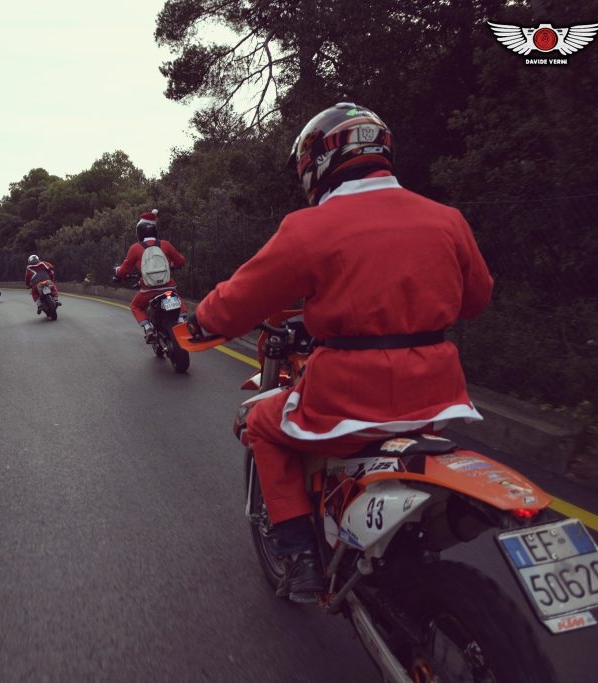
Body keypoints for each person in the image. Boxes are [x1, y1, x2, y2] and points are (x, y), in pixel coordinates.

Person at [188, 103, 493, 602]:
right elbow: (476, 300)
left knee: (260, 424)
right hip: (437, 398)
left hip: (349, 399)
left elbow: (238, 300)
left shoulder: (310, 227)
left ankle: (299, 555)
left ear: (318, 164)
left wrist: (201, 320)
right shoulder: (448, 219)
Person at [113, 210, 187, 343]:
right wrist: (173, 265)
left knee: (136, 306)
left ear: (139, 232)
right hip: (168, 287)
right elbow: (180, 261)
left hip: (148, 290)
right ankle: (182, 321)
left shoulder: (135, 248)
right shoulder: (165, 244)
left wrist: (118, 272)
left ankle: (148, 328)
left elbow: (124, 270)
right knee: (178, 300)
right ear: (155, 231)